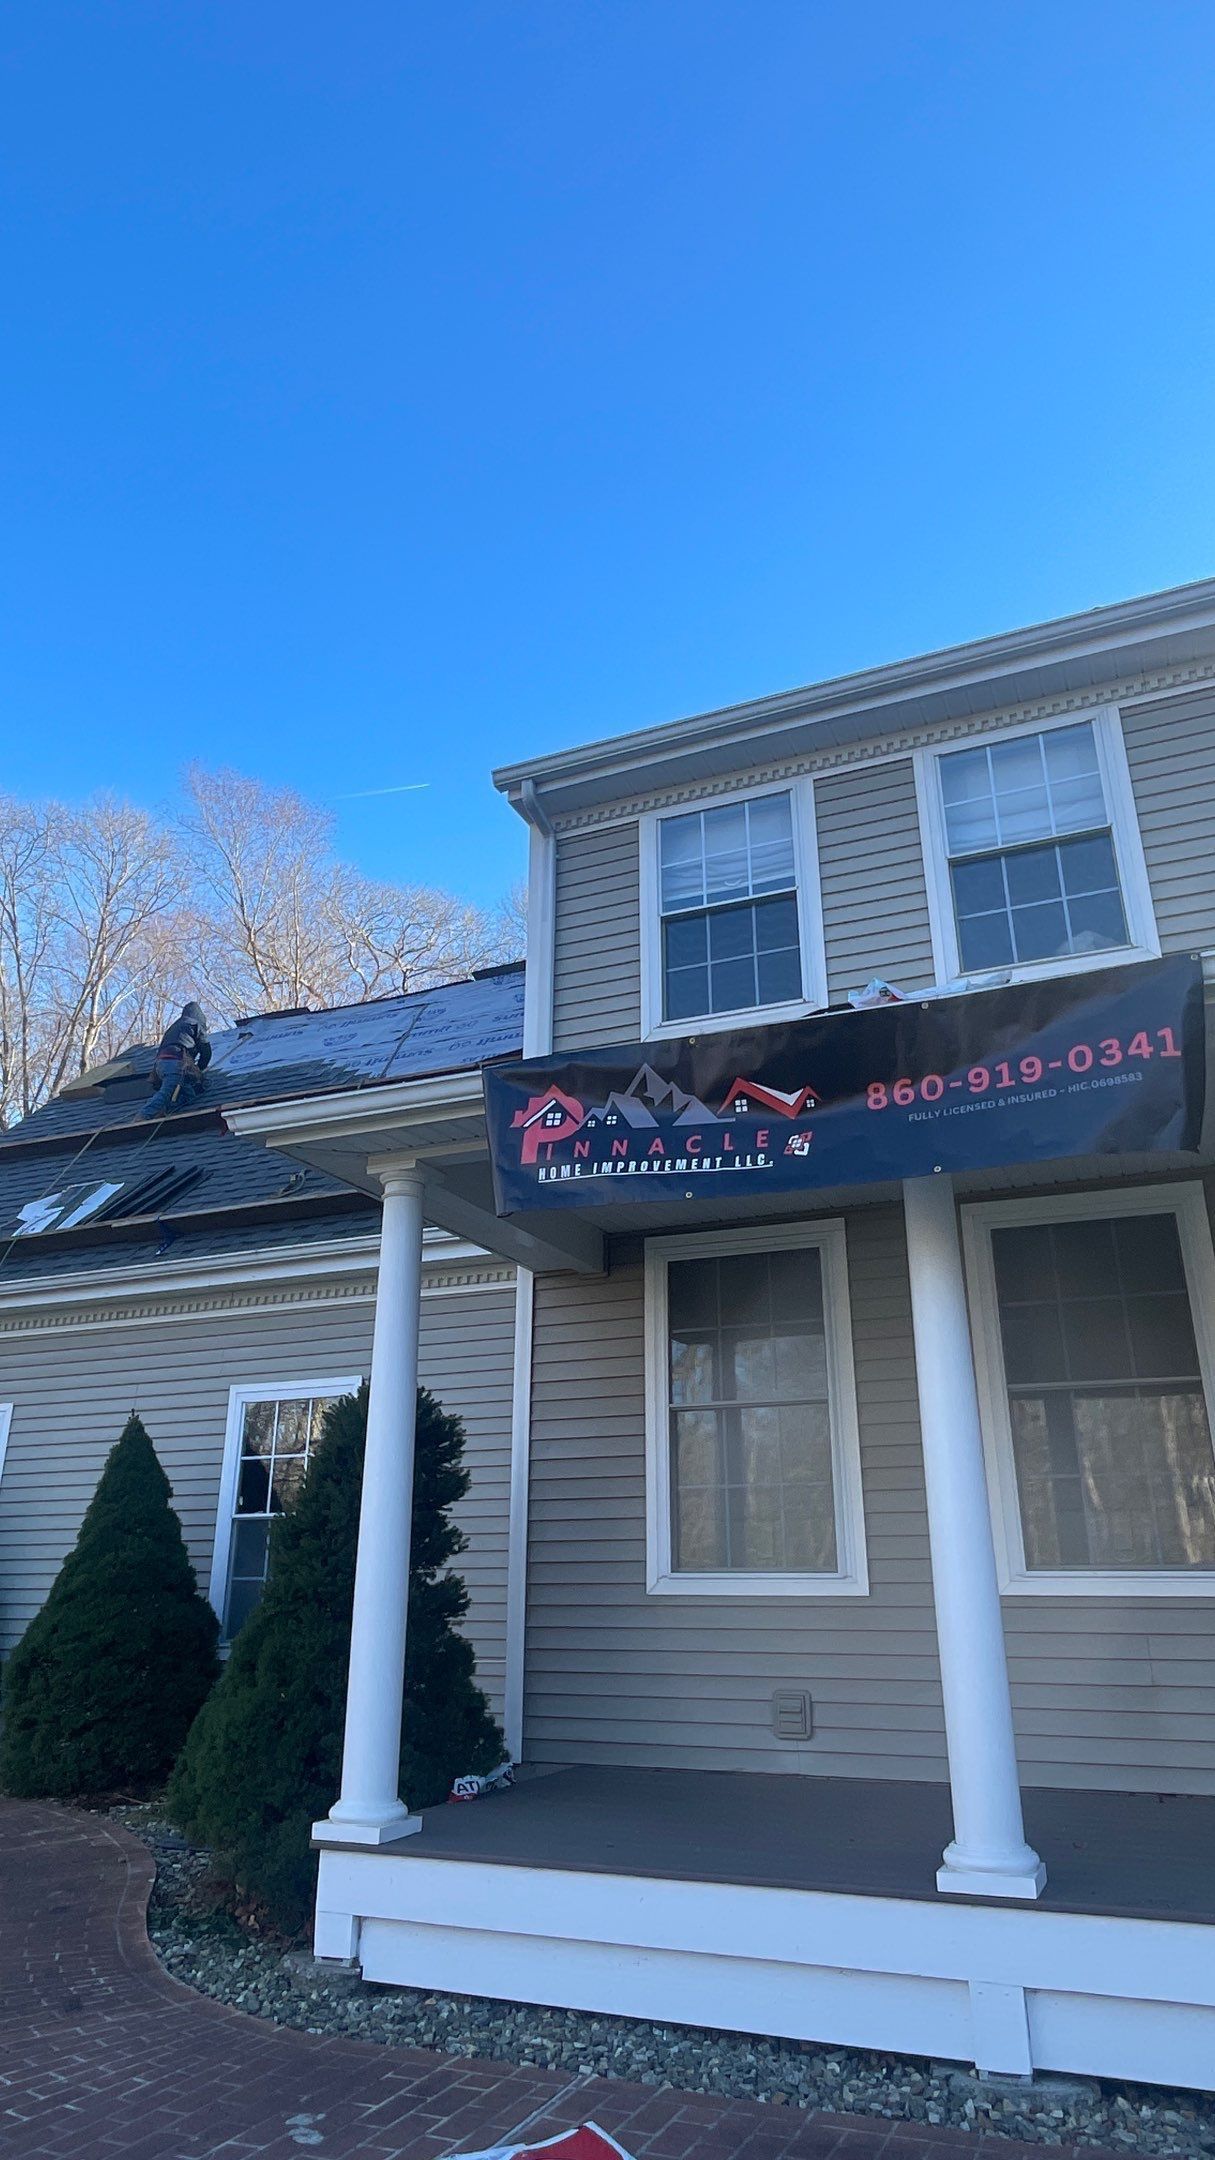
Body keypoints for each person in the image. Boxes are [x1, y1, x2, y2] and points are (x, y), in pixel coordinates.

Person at [141, 1002, 213, 1119]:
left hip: (160, 1065)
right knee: (168, 1090)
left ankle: (165, 1109)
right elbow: (206, 1052)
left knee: (190, 1095)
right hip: (175, 1062)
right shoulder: (195, 1025)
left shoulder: (174, 1027)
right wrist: (200, 1070)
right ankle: (144, 1114)